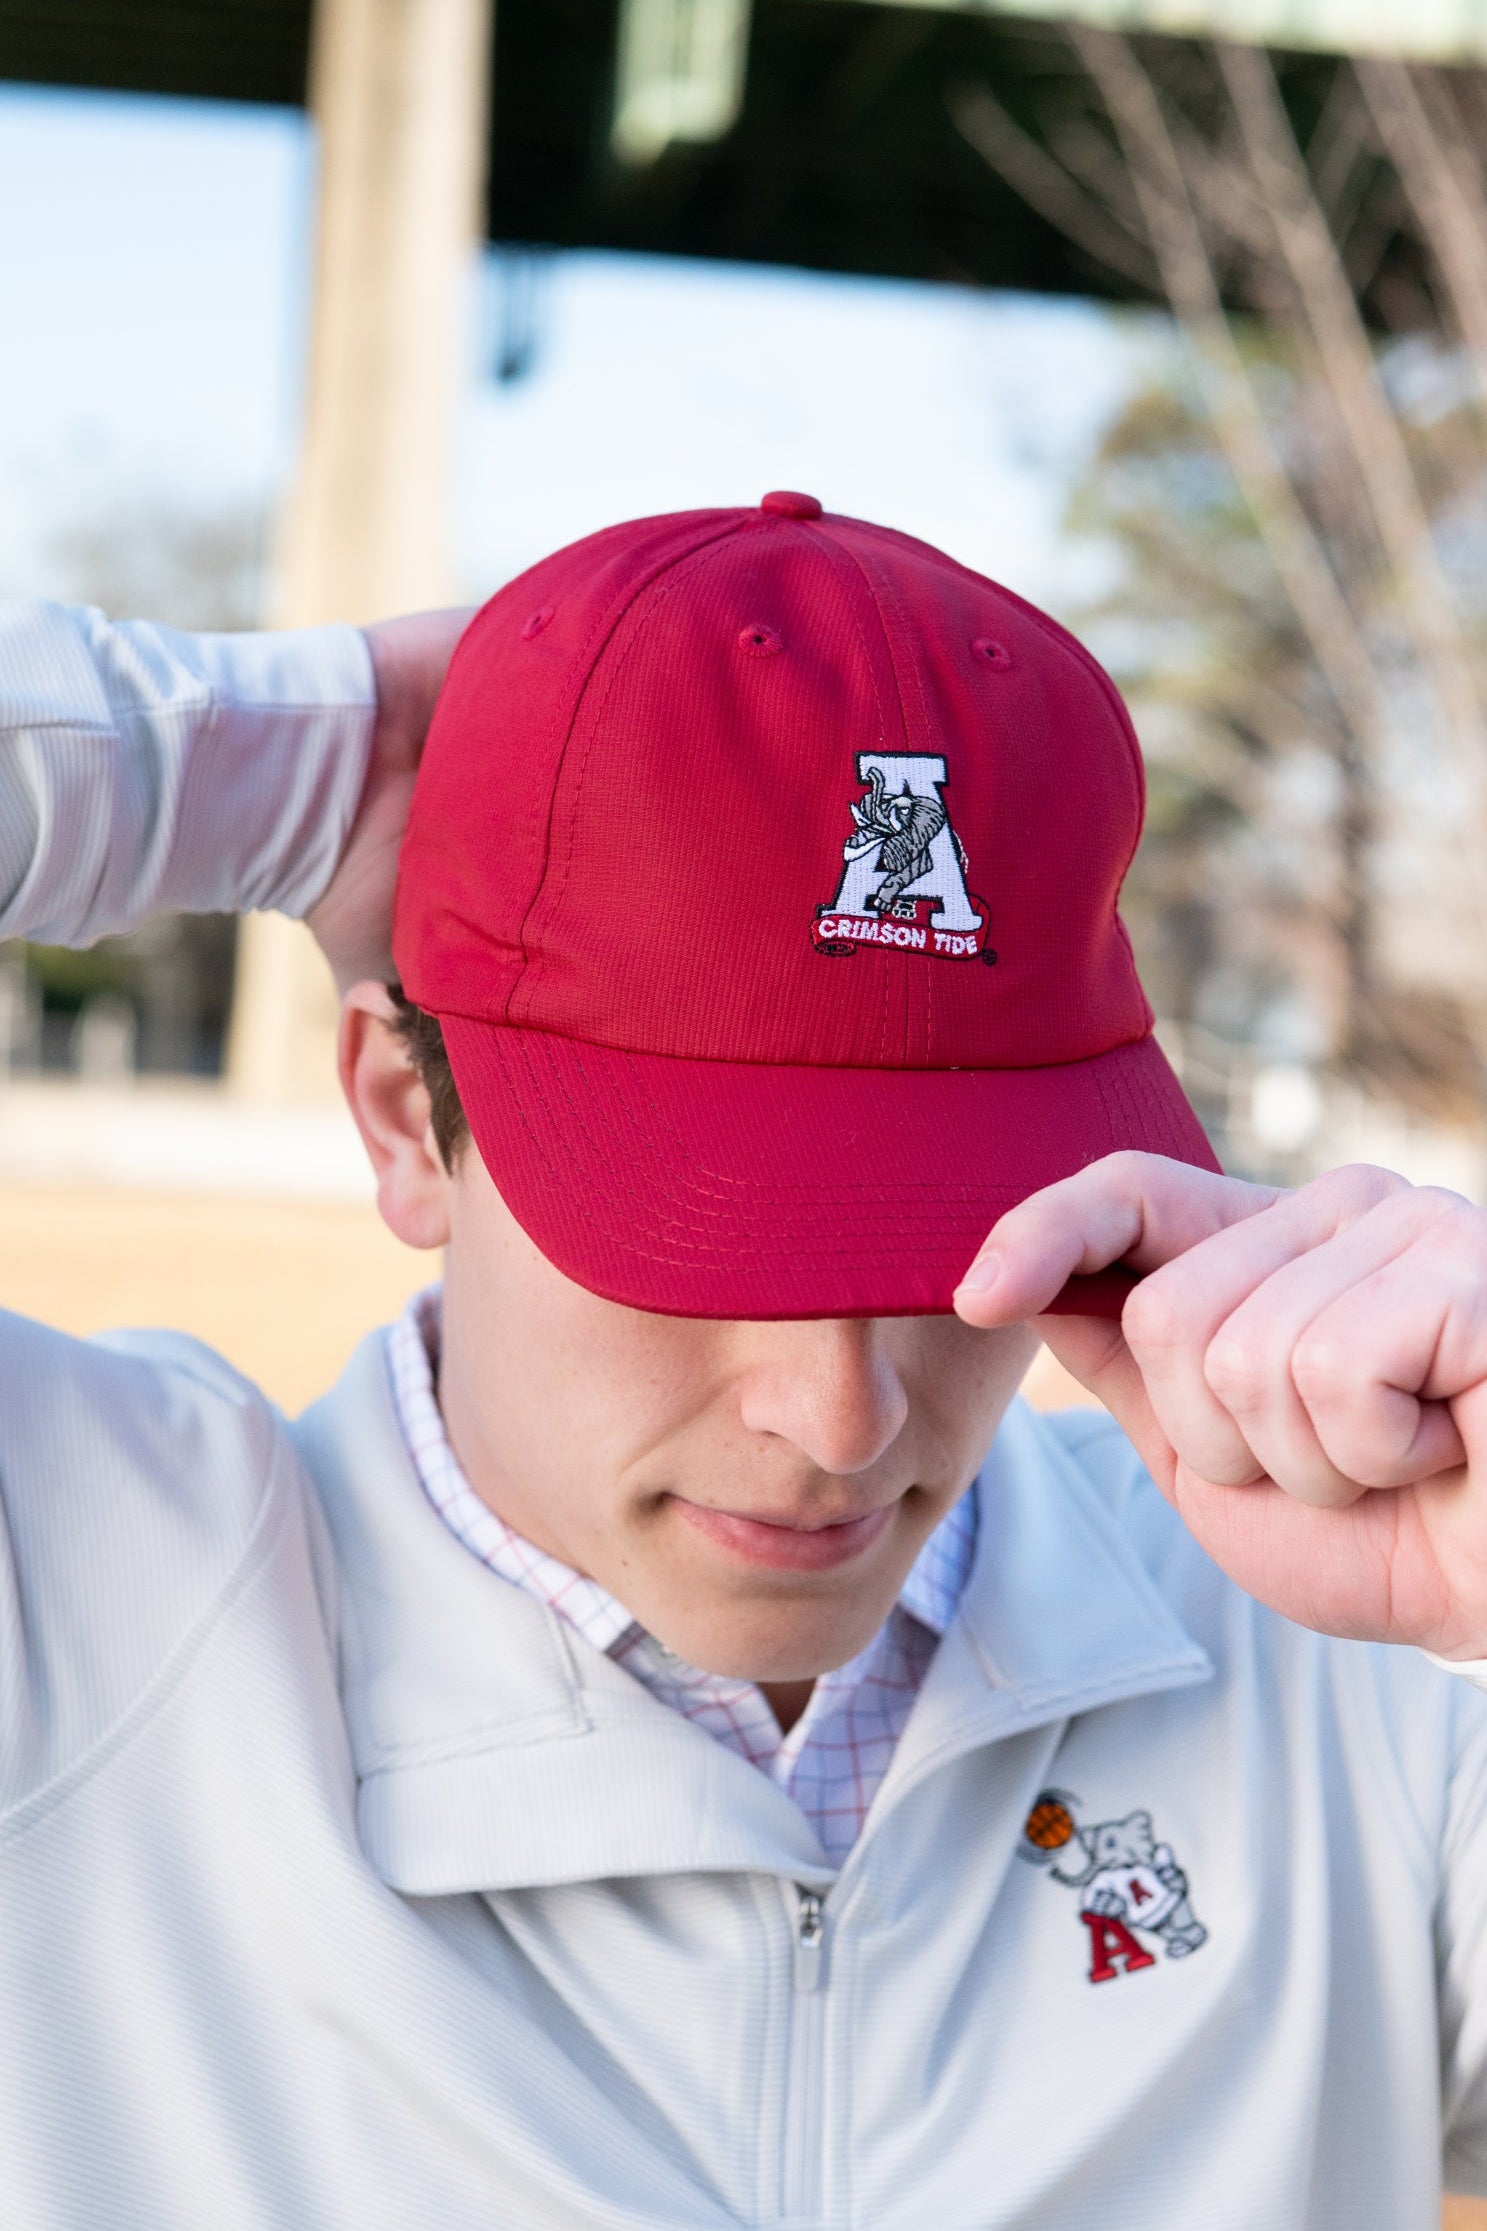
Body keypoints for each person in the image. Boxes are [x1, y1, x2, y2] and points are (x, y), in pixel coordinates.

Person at [2, 494, 1487, 2231]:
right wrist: (246, 762)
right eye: (692, 1245)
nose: (842, 1422)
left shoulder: (1361, 1664)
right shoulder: (75, 1601)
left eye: (954, 1252)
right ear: (409, 1118)